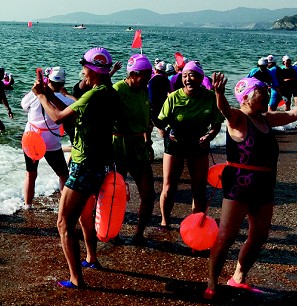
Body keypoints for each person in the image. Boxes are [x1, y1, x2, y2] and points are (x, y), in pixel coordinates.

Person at [204, 75, 297, 299]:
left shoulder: (265, 119)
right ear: (246, 97)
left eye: (267, 91)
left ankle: (238, 277)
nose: (267, 94)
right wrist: (219, 94)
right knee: (226, 237)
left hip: (265, 187)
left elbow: (293, 114)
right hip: (239, 187)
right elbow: (226, 111)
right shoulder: (239, 118)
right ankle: (212, 283)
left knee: (259, 236)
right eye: (262, 92)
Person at [33, 47, 120, 288]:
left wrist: (41, 96)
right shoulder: (109, 93)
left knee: (64, 223)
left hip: (84, 164)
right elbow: (70, 113)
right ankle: (91, 258)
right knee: (83, 216)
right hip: (98, 163)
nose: (82, 73)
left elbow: (59, 117)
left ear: (93, 70)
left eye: (85, 69)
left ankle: (75, 278)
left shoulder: (93, 96)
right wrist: (49, 94)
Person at [154, 61, 223, 228]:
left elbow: (217, 124)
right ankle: (165, 221)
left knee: (199, 188)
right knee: (169, 187)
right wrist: (159, 128)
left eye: (192, 75)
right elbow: (160, 122)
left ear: (200, 78)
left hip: (199, 145)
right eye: (185, 76)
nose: (188, 79)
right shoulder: (173, 97)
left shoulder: (209, 98)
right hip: (175, 144)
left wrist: (209, 136)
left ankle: (196, 223)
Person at [113, 55, 155, 245]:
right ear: (132, 73)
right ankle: (112, 232)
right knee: (114, 194)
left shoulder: (145, 90)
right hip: (118, 146)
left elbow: (147, 120)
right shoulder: (117, 89)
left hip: (139, 147)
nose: (148, 79)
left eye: (149, 75)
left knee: (148, 194)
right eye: (145, 75)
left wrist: (149, 143)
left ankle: (139, 234)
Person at [20, 66, 73, 209]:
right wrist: (66, 94)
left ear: (47, 80)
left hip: (31, 138)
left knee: (30, 174)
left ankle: (28, 205)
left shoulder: (35, 95)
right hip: (51, 142)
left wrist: (35, 90)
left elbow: (23, 105)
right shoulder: (65, 100)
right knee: (63, 174)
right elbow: (76, 106)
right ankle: (65, 206)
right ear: (63, 84)